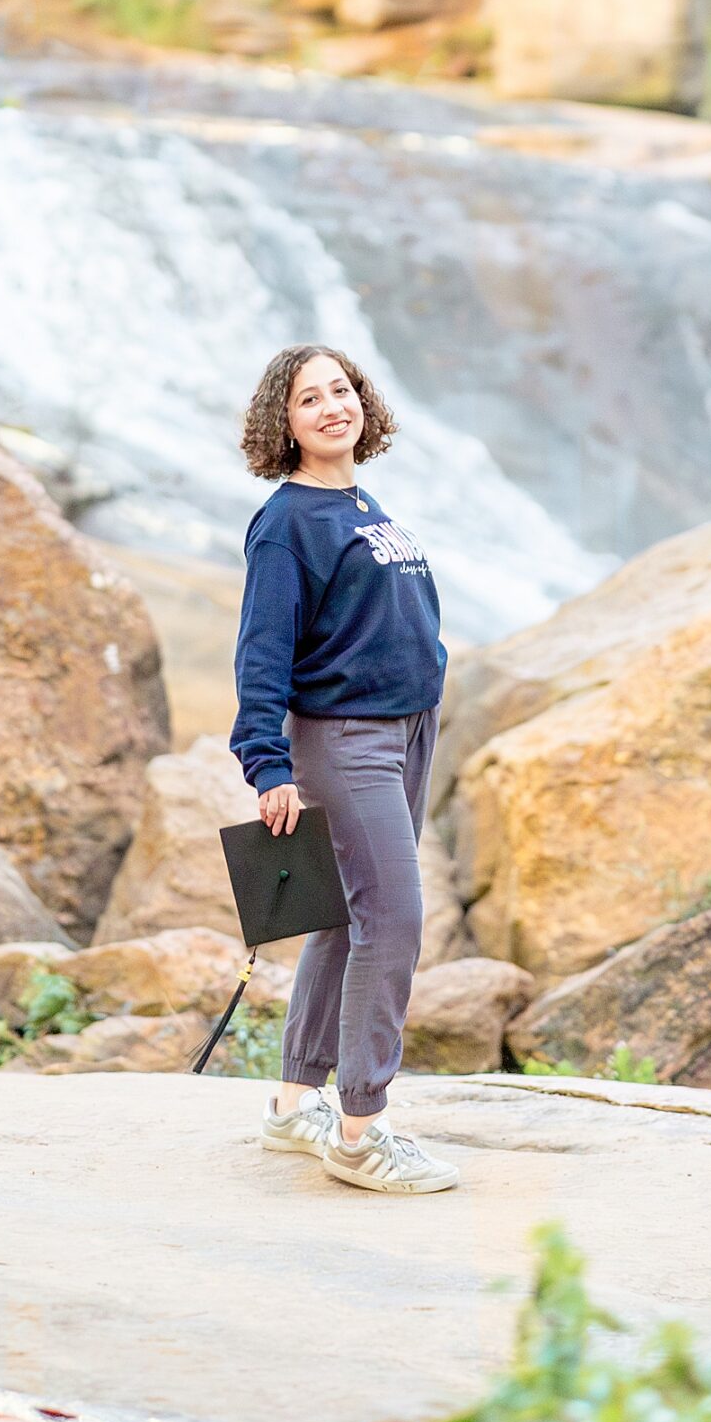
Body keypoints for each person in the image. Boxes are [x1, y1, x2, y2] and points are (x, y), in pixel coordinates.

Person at [231, 344, 459, 1194]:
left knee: (343, 919)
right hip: (346, 739)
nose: (331, 407)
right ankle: (361, 1133)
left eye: (341, 390)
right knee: (392, 919)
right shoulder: (286, 522)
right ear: (283, 423)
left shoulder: (358, 503)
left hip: (405, 730)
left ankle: (296, 1108)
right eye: (308, 399)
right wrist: (267, 765)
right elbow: (261, 653)